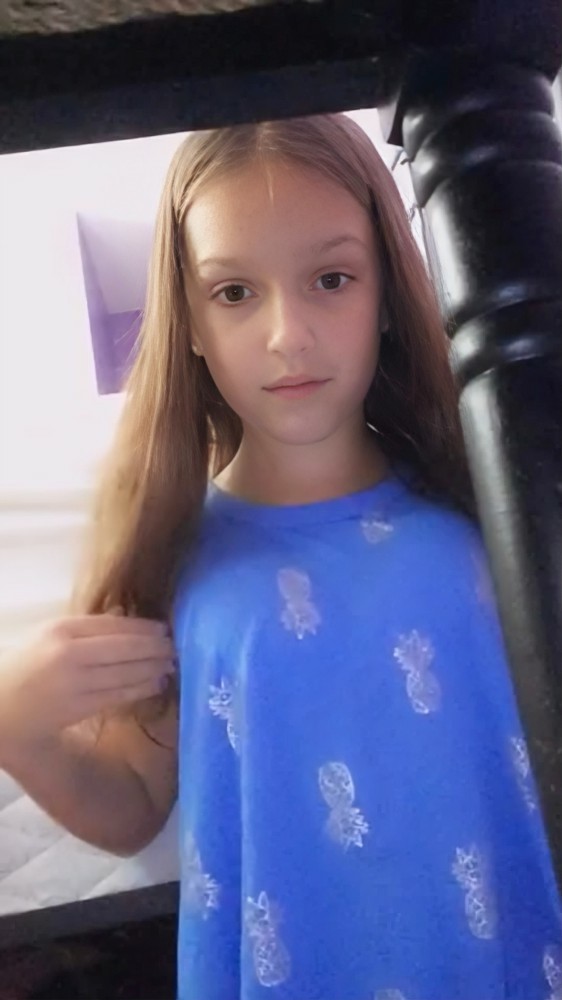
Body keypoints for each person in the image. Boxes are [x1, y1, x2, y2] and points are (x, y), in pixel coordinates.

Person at [0, 114, 560, 1000]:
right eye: (234, 292)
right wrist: (16, 721)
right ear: (187, 317)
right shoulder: (169, 547)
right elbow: (134, 801)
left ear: (386, 291)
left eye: (332, 279)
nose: (288, 334)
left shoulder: (486, 494)